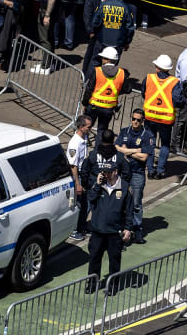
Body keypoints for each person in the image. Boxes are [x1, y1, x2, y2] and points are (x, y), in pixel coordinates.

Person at [84, 165, 134, 293]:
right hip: (98, 230)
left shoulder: (124, 187)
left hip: (114, 232)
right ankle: (92, 284)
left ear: (115, 172)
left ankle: (113, 286)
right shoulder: (99, 185)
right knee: (94, 258)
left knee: (114, 261)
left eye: (107, 172)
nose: (105, 174)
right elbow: (90, 199)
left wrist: (128, 229)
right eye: (103, 172)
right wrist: (96, 185)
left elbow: (129, 211)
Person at [142, 55, 186, 180]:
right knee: (165, 145)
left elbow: (143, 93)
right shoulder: (175, 82)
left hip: (150, 117)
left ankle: (150, 170)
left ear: (157, 67)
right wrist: (186, 102)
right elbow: (177, 100)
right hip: (165, 120)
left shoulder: (149, 78)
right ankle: (160, 171)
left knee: (149, 143)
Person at [115, 109, 154, 244]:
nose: (135, 122)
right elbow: (117, 148)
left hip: (137, 173)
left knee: (136, 204)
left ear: (142, 121)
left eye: (138, 120)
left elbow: (144, 157)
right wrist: (135, 150)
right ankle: (121, 229)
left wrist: (127, 151)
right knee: (120, 201)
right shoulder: (124, 131)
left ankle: (137, 231)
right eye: (134, 119)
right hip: (122, 174)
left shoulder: (146, 135)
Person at [82, 47, 130, 139]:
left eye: (103, 58)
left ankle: (82, 147)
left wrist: (84, 102)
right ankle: (97, 152)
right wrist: (116, 90)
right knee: (102, 131)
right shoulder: (122, 73)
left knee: (85, 128)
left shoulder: (97, 71)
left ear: (107, 60)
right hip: (108, 108)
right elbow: (128, 89)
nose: (102, 59)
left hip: (93, 106)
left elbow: (89, 89)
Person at [89, 0, 136, 75]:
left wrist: (94, 32)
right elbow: (130, 28)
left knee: (95, 62)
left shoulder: (103, 5)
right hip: (117, 43)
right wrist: (127, 42)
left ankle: (89, 83)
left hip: (101, 41)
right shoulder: (126, 8)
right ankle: (107, 84)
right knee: (112, 66)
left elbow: (95, 22)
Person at [67, 115, 93, 241]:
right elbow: (73, 166)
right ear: (81, 127)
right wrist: (78, 184)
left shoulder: (84, 137)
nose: (91, 129)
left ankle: (82, 226)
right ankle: (74, 229)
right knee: (78, 204)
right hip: (79, 175)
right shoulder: (75, 143)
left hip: (85, 173)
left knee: (86, 203)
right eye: (89, 127)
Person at [81, 0, 113, 76]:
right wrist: (90, 31)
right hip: (94, 32)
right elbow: (87, 17)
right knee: (90, 53)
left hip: (104, 32)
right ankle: (85, 73)